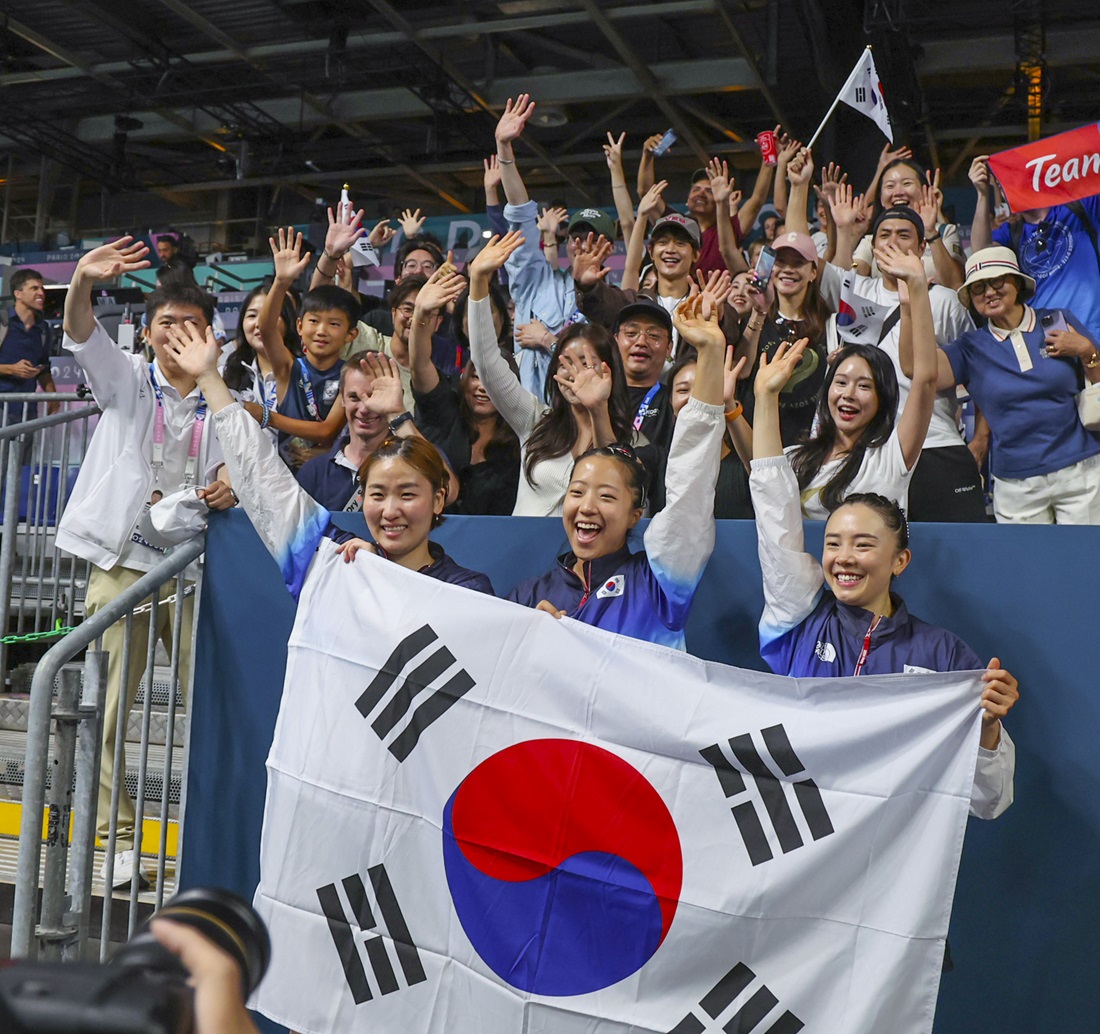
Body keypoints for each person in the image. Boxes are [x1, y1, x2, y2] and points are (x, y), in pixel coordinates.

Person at [55, 239, 236, 888]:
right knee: (102, 710)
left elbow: (243, 468)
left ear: (210, 335)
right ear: (148, 333)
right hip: (121, 564)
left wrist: (229, 486)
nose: (177, 335)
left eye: (191, 325)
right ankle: (120, 839)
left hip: (193, 573)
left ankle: (211, 838)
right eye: (166, 324)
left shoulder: (224, 399)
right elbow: (80, 333)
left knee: (215, 708)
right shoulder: (128, 379)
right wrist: (80, 279)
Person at [748, 434, 1017, 819]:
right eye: (833, 543)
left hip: (890, 859)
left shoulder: (944, 655)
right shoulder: (799, 623)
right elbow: (775, 523)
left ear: (900, 561)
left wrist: (988, 730)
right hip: (800, 844)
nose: (844, 558)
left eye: (863, 545)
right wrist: (764, 399)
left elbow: (988, 802)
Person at [164, 318, 493, 598]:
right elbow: (266, 483)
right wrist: (208, 378)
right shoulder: (338, 562)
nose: (391, 511)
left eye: (407, 494)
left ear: (437, 501)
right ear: (362, 497)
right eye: (377, 494)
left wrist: (397, 413)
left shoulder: (467, 590)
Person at [506, 290, 726, 650]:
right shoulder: (530, 597)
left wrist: (712, 352)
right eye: (576, 492)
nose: (587, 506)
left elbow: (691, 488)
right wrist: (529, 643)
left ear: (635, 514)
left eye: (606, 496)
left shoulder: (660, 583)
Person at [786, 157, 986, 522]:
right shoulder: (850, 288)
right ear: (873, 246)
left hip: (933, 444)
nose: (893, 242)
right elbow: (798, 251)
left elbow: (980, 370)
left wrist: (980, 439)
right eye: (884, 235)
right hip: (867, 454)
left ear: (920, 246)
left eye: (904, 235)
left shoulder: (942, 300)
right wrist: (799, 188)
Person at [900, 246, 1100, 524]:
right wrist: (909, 306)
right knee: (1026, 567)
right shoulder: (971, 348)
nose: (989, 292)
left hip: (1082, 470)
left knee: (1087, 563)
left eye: (997, 282)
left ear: (1017, 283)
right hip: (1016, 484)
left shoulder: (1057, 320)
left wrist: (1087, 349)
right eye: (979, 288)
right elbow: (914, 368)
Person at [753, 240, 939, 521]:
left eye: (864, 385)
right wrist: (736, 407)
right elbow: (760, 468)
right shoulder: (798, 458)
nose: (848, 394)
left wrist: (915, 291)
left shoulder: (890, 458)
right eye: (840, 383)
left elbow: (925, 379)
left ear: (881, 399)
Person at [468, 231, 635, 517]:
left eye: (584, 362)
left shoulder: (630, 440)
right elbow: (485, 361)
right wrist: (479, 282)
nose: (573, 372)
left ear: (608, 370)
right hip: (524, 556)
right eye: (564, 363)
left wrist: (597, 411)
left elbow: (615, 479)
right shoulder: (534, 420)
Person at [493, 94, 615, 399]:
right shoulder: (536, 280)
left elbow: (603, 360)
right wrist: (505, 150)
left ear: (609, 249)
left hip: (585, 419)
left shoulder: (613, 303)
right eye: (576, 237)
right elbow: (520, 214)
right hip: (533, 422)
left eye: (592, 237)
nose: (581, 244)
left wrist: (549, 340)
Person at [408, 267, 521, 515]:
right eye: (476, 377)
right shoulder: (445, 412)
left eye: (493, 380)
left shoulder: (519, 438)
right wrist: (422, 314)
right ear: (463, 379)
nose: (483, 387)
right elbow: (419, 365)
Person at [249, 228, 360, 469]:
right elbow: (267, 329)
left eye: (334, 324)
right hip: (285, 478)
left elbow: (327, 431)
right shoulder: (288, 367)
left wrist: (268, 417)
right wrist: (281, 282)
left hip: (332, 475)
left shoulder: (350, 376)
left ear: (351, 334)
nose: (321, 331)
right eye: (314, 321)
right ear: (299, 326)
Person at [296, 354, 451, 512]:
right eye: (354, 397)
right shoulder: (313, 472)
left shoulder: (415, 458)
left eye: (375, 396)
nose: (364, 409)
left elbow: (448, 490)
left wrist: (396, 413)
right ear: (341, 397)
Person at [970, 155, 1100, 339]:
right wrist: (982, 194)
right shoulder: (1012, 232)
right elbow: (981, 256)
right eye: (1002, 184)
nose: (1009, 187)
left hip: (1093, 331)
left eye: (1015, 178)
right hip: (1048, 338)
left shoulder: (1078, 208)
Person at [735, 230, 830, 448]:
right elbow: (741, 370)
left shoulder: (831, 325)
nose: (788, 269)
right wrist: (759, 312)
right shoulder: (754, 317)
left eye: (798, 263)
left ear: (813, 273)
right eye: (780, 262)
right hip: (758, 445)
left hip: (811, 447)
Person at [854, 155, 964, 289]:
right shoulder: (871, 241)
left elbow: (956, 286)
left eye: (907, 183)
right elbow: (849, 281)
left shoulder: (944, 232)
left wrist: (930, 232)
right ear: (881, 199)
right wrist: (847, 235)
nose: (898, 192)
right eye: (890, 186)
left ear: (924, 191)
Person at [221, 281, 299, 445]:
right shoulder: (228, 373)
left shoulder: (304, 372)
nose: (260, 324)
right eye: (252, 315)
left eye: (269, 315)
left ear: (288, 320)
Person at [0, 267, 57, 424]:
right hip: (1, 404)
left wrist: (53, 395)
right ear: (18, 294)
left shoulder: (43, 329)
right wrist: (12, 369)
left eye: (41, 288)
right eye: (34, 288)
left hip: (27, 408)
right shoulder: (2, 321)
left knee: (27, 448)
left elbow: (43, 367)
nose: (41, 293)